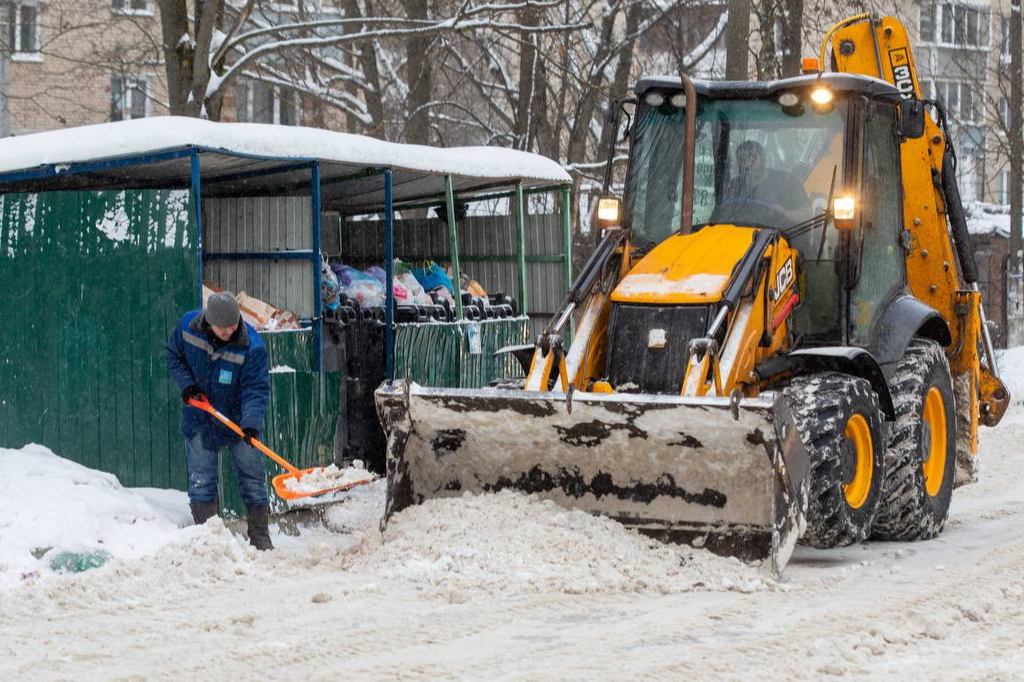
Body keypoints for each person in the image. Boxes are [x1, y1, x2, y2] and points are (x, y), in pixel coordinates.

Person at [165, 292, 274, 550]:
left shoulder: (252, 346)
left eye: (234, 324)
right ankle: (209, 543)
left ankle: (260, 538)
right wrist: (188, 386)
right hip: (200, 416)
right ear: (209, 321)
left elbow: (256, 389)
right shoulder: (187, 327)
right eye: (223, 327)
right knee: (201, 481)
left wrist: (250, 423)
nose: (230, 330)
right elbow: (173, 356)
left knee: (253, 478)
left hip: (238, 420)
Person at [718, 139, 810, 225]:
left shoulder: (786, 181)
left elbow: (808, 213)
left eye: (752, 157)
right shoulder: (733, 186)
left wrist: (787, 214)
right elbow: (720, 216)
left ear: (763, 158)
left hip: (779, 237)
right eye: (742, 159)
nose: (748, 163)